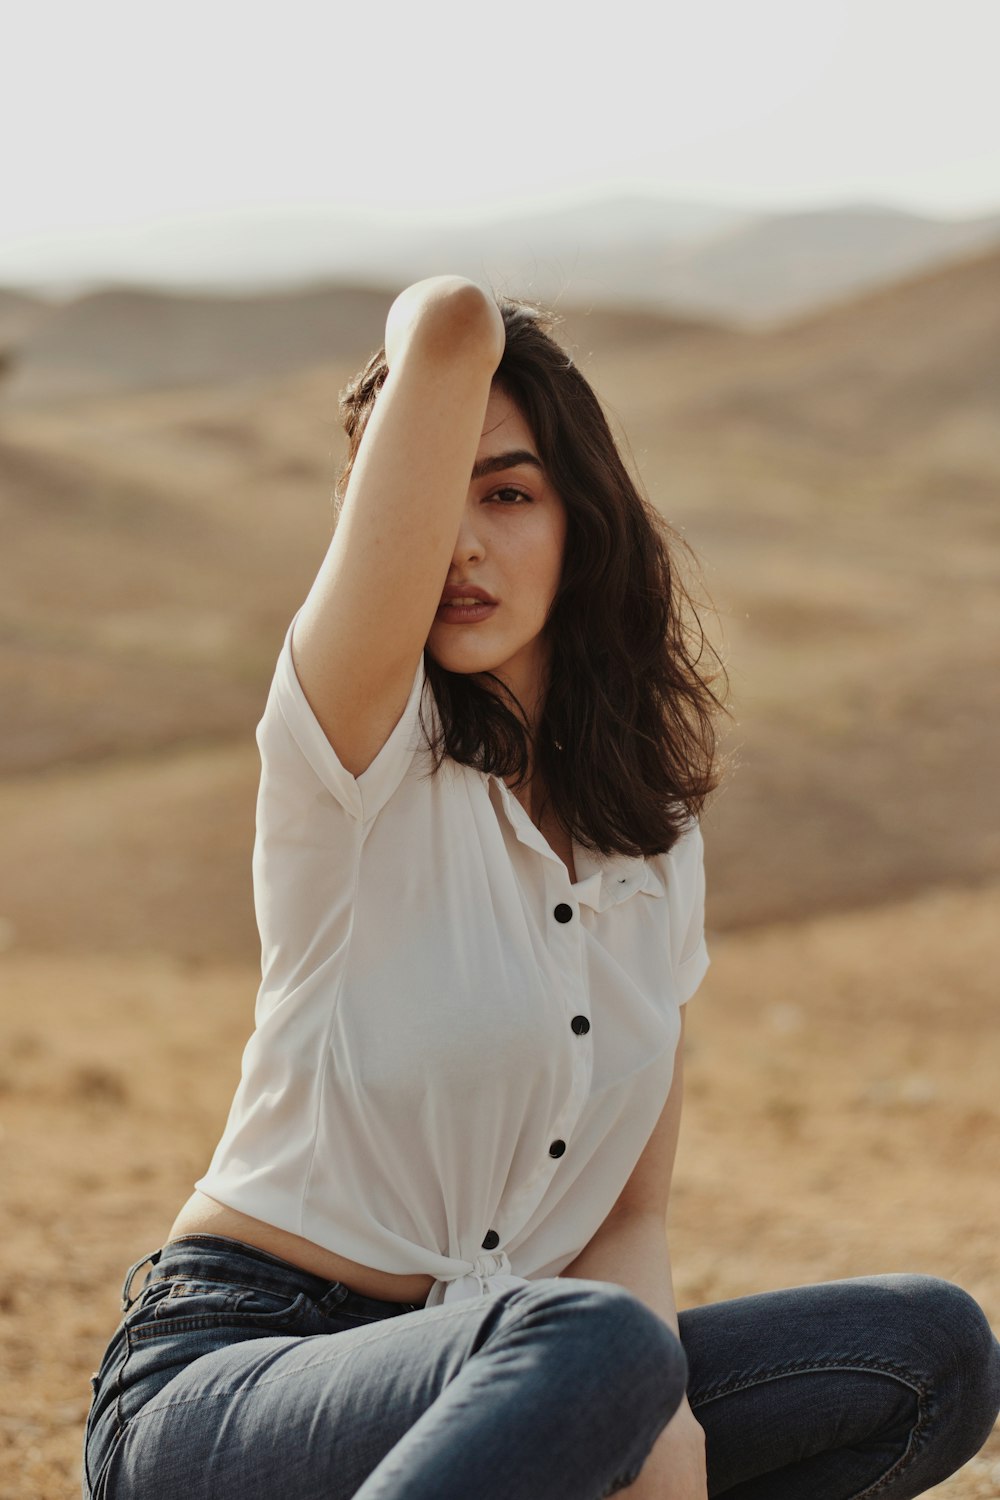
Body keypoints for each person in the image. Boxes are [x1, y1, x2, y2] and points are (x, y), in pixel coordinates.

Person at [81, 277, 1000, 1500]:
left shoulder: (652, 849)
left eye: (507, 493)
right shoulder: (354, 756)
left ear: (584, 519)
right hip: (238, 1378)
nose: (460, 543)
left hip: (527, 1386)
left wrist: (657, 1424)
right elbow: (456, 320)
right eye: (421, 502)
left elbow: (626, 1221)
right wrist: (624, 1378)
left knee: (928, 1349)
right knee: (591, 1342)